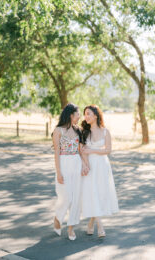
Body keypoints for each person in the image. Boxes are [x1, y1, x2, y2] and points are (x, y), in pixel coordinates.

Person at [81, 105, 119, 237]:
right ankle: (100, 227)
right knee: (92, 193)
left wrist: (92, 150)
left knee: (100, 193)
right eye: (85, 114)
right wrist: (85, 165)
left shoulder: (105, 132)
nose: (86, 116)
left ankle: (91, 223)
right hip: (90, 166)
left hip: (102, 165)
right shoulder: (84, 132)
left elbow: (108, 150)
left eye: (88, 114)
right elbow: (82, 151)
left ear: (95, 116)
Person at [52, 103, 89, 240]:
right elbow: (56, 152)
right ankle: (58, 217)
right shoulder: (58, 131)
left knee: (76, 198)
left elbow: (80, 150)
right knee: (65, 197)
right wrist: (58, 172)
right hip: (63, 163)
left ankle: (71, 227)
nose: (79, 117)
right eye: (77, 114)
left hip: (76, 164)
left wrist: (85, 165)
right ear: (70, 115)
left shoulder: (78, 130)